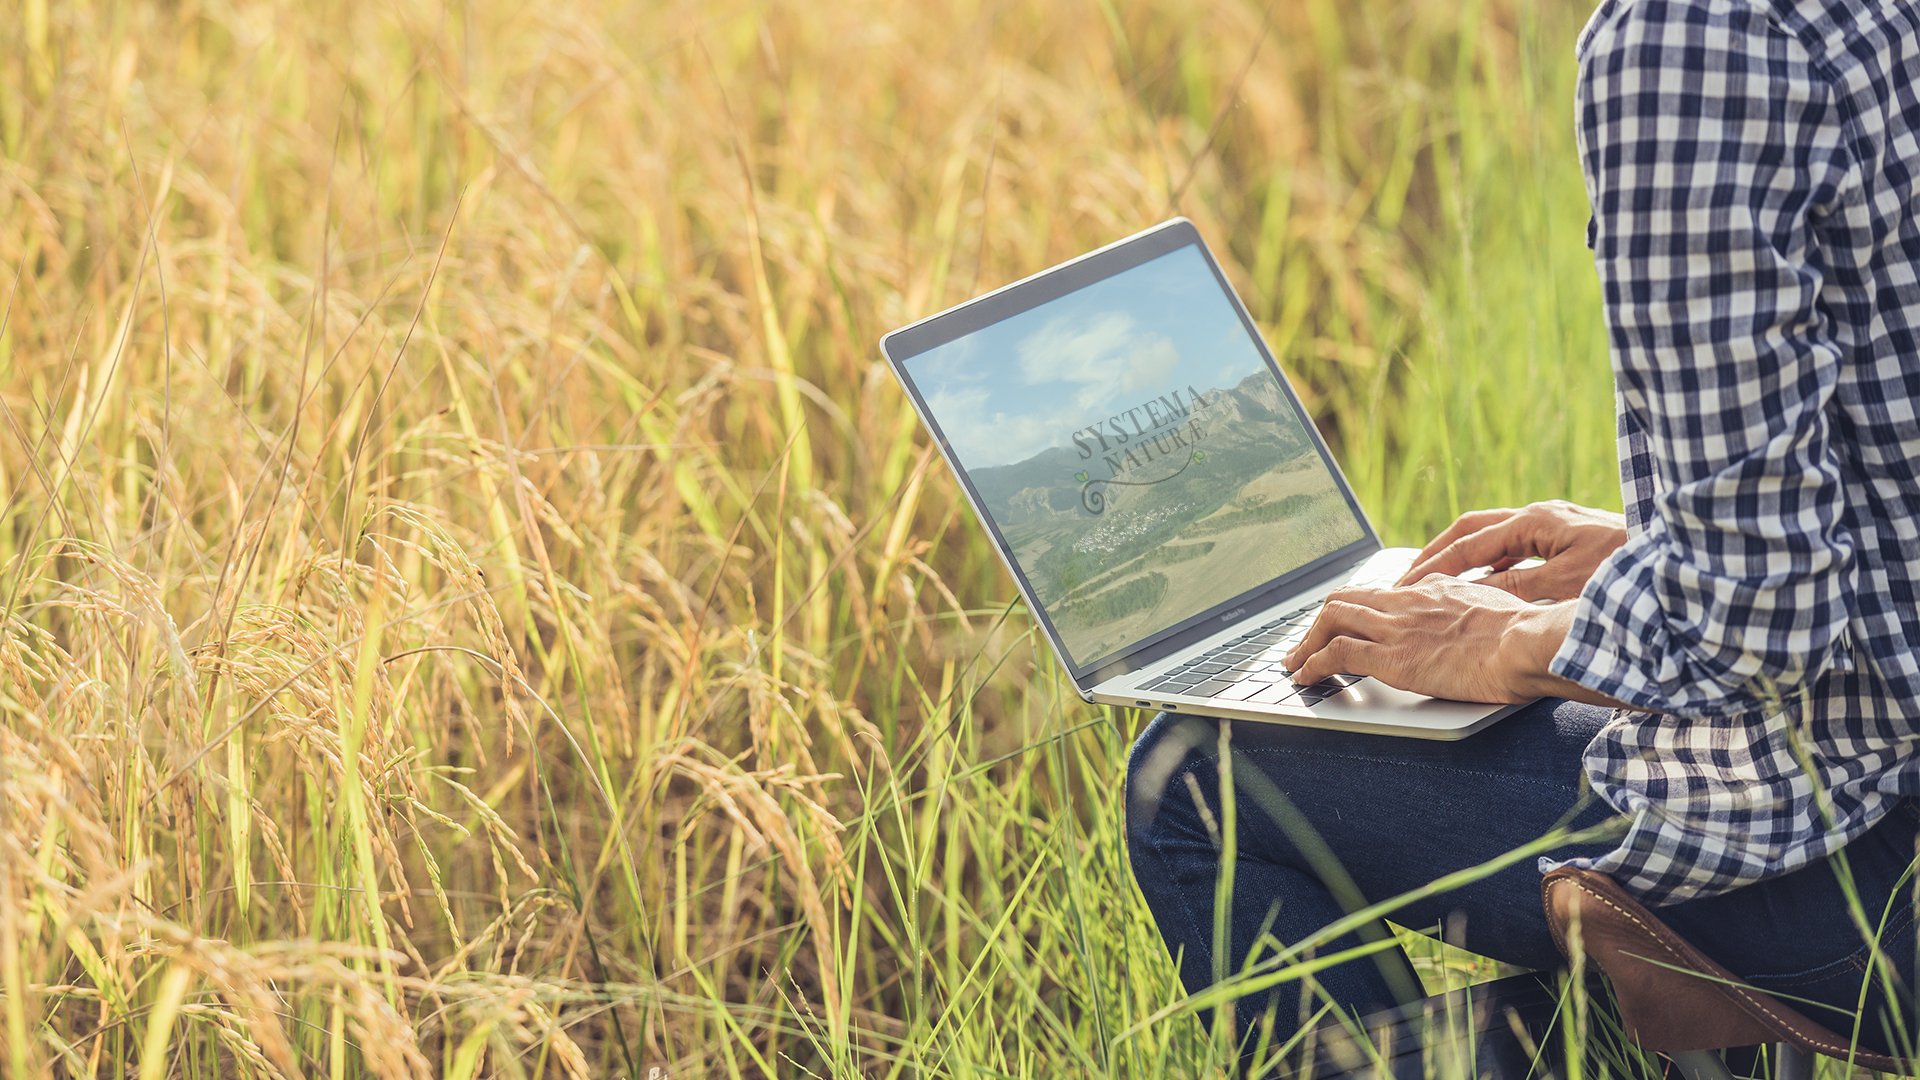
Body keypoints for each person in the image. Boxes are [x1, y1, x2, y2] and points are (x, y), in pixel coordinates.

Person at [1127, 0, 1920, 1061]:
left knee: (1193, 776)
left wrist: (1503, 639)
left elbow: (1761, 623)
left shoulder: (1688, 38)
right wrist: (1660, 545)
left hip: (1877, 852)